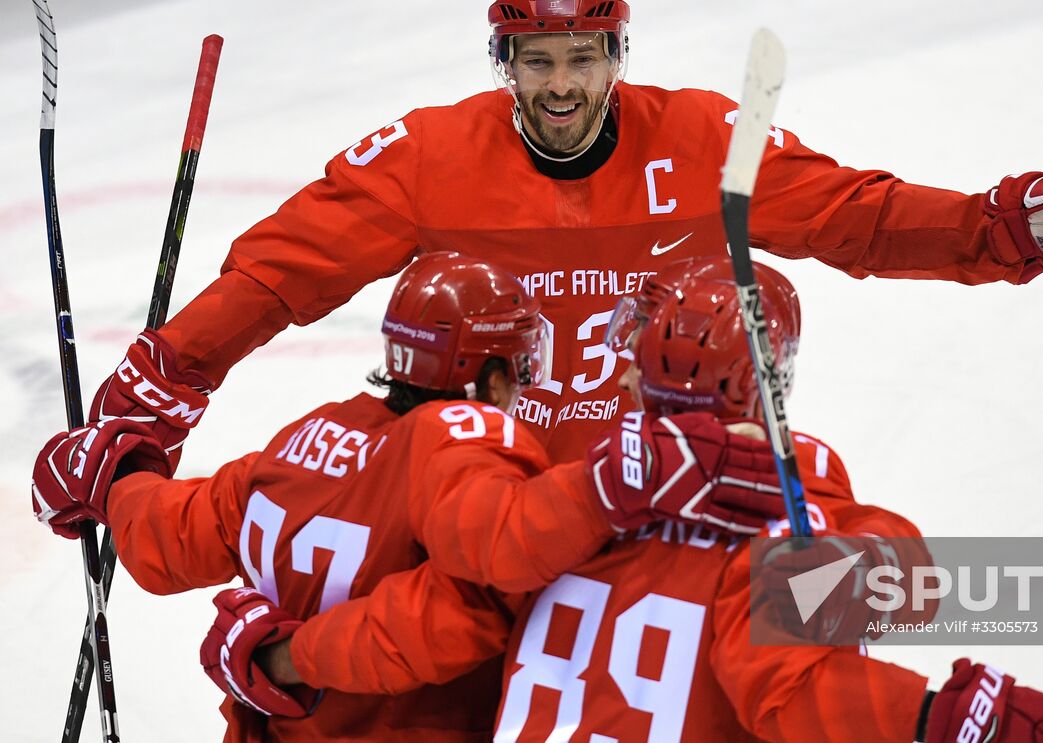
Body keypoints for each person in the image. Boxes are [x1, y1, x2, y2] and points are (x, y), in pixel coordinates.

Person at [74, 0, 1043, 467]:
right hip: (476, 496)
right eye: (536, 60)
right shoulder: (427, 153)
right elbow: (281, 273)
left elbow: (850, 218)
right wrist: (170, 372)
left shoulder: (695, 138)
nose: (558, 85)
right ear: (504, 61)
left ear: (612, 57)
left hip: (655, 483)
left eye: (580, 59)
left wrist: (997, 230)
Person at [197, 257, 1043, 743]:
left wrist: (284, 658)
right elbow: (808, 677)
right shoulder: (783, 515)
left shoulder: (565, 500)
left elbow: (445, 603)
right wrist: (945, 720)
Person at [31, 252, 784, 742]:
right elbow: (473, 592)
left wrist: (118, 474)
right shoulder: (784, 505)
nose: (612, 385)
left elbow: (170, 542)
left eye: (634, 364)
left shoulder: (308, 437)